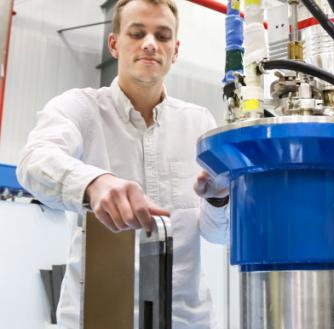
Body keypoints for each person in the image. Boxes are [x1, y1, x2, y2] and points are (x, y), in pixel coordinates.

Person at [16, 0, 229, 328]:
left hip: (186, 320)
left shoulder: (199, 124)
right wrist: (93, 183)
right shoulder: (81, 108)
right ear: (114, 44)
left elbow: (218, 235)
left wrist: (219, 199)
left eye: (162, 35)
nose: (150, 43)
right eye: (137, 33)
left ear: (175, 50)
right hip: (99, 318)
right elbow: (33, 162)